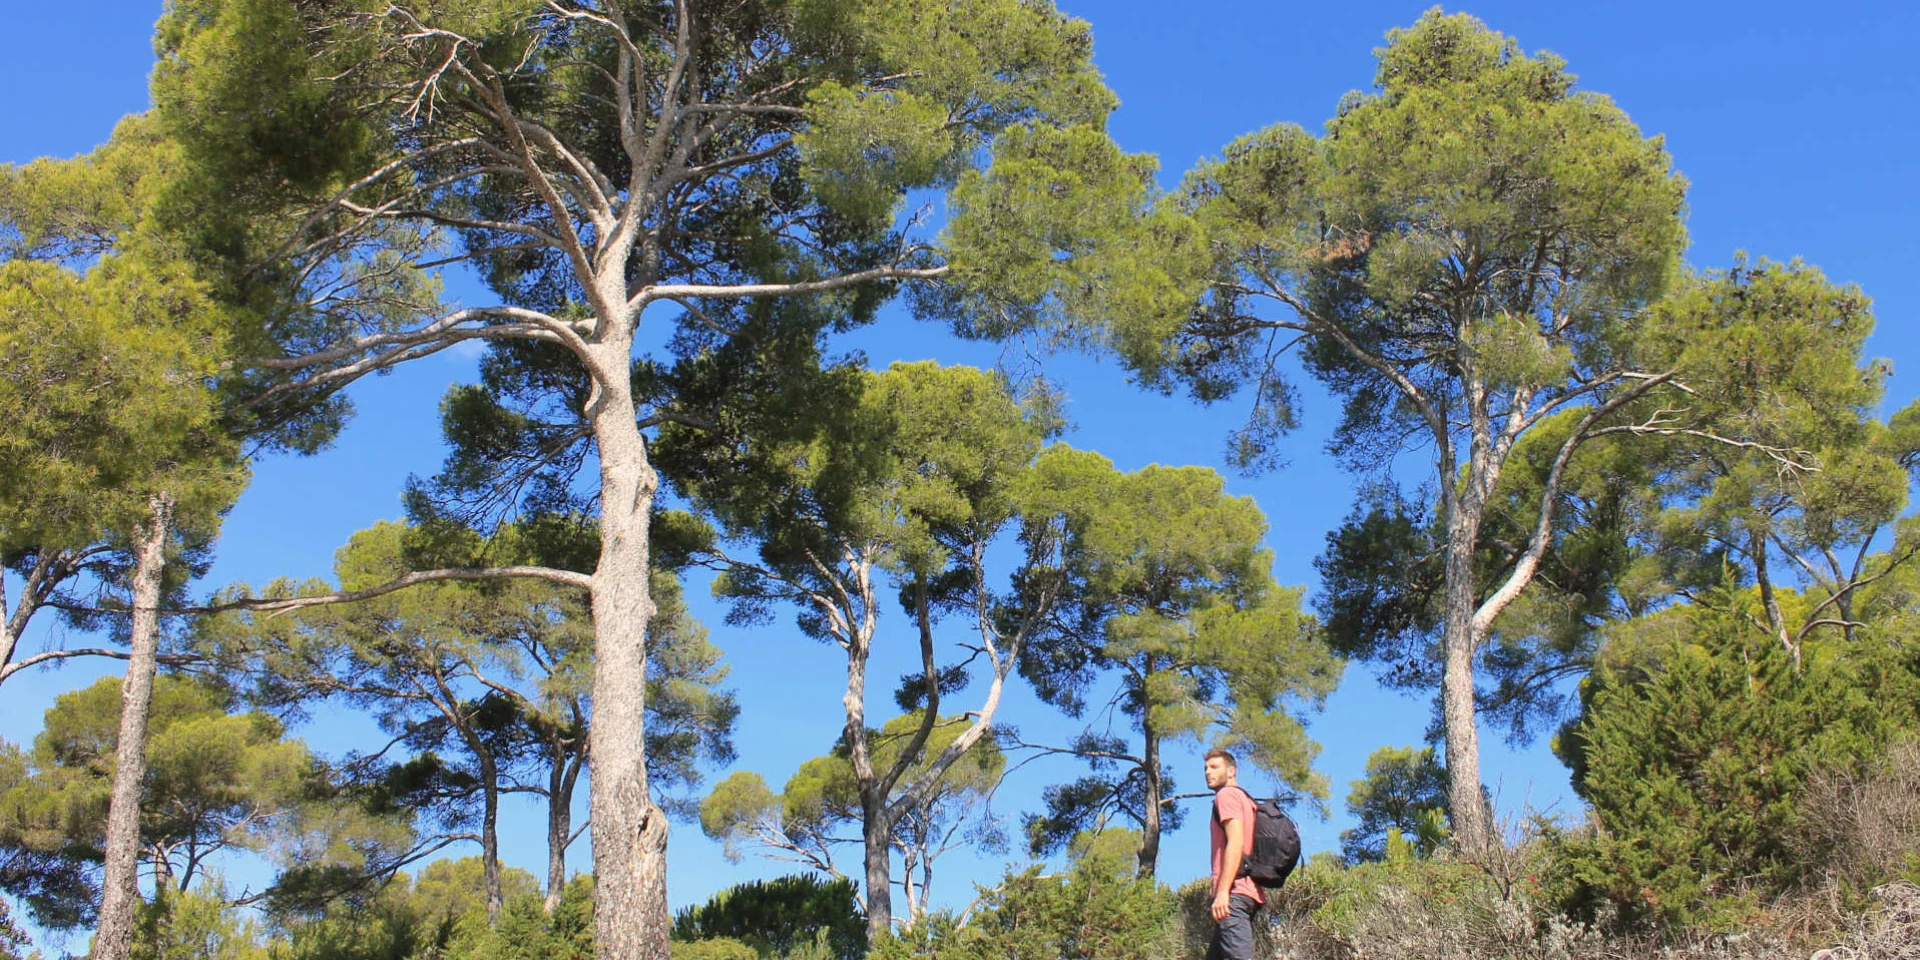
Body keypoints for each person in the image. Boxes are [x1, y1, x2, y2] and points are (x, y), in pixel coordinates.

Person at [1204, 748, 1264, 960]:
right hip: (1246, 891)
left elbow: (1236, 842)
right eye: (1206, 768)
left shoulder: (1227, 795)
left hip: (1234, 894)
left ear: (1231, 772)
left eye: (1214, 767)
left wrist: (1222, 892)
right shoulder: (1245, 799)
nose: (1207, 772)